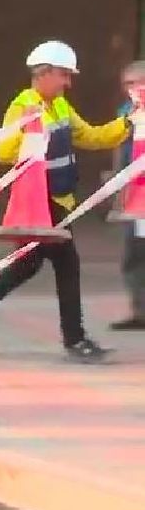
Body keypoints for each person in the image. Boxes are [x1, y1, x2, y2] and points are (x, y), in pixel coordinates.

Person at [0, 40, 129, 361]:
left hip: (59, 202)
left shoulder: (60, 106)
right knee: (67, 265)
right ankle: (75, 341)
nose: (68, 82)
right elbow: (2, 153)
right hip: (40, 204)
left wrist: (127, 123)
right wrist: (27, 126)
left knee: (26, 266)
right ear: (43, 74)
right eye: (63, 75)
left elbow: (92, 136)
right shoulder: (23, 105)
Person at [111, 61, 145, 331]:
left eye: (139, 82)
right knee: (133, 254)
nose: (134, 89)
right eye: (128, 84)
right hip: (133, 196)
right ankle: (140, 310)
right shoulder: (126, 114)